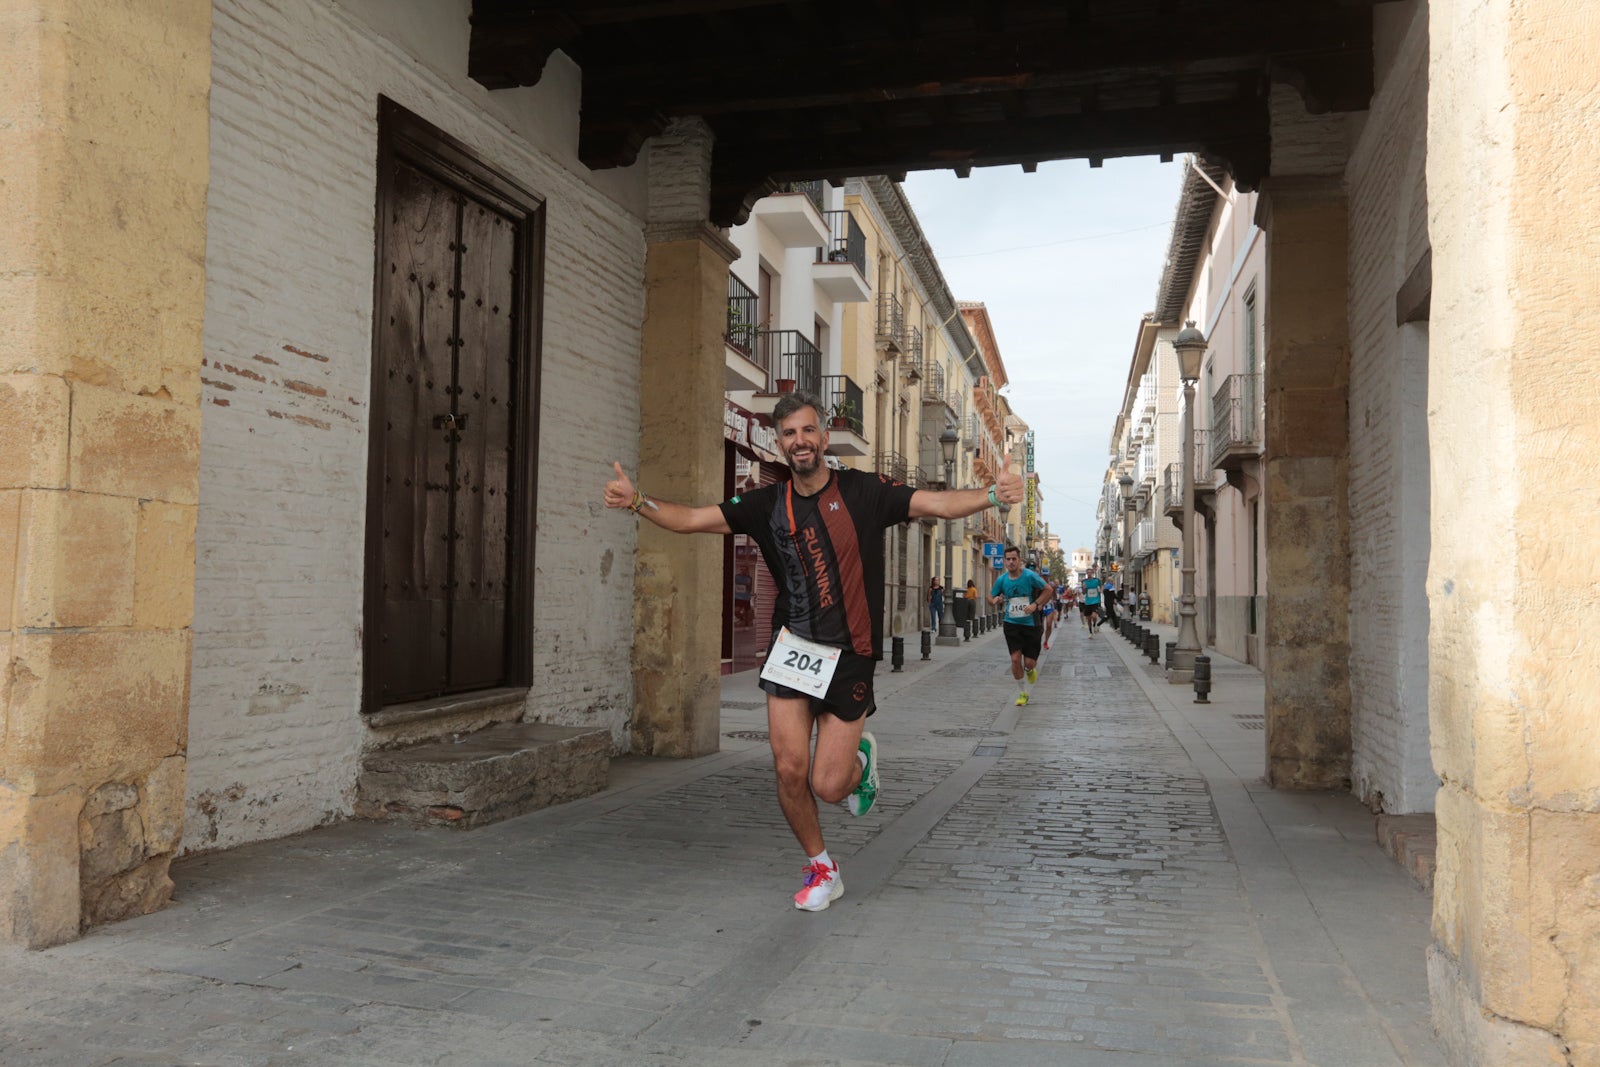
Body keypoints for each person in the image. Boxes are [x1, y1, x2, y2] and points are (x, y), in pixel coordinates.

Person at [603, 391, 1022, 912]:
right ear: (780, 444)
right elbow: (691, 520)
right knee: (786, 769)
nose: (799, 441)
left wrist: (995, 497)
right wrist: (639, 501)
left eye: (807, 431)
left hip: (850, 654)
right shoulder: (765, 504)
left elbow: (935, 503)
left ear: (823, 437)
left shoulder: (864, 491)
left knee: (828, 786)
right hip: (792, 651)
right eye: (788, 434)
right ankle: (823, 867)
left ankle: (860, 763)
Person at [988, 545, 1051, 705]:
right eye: (1008, 559)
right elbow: (991, 596)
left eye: (1013, 559)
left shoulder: (1030, 576)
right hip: (1012, 624)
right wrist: (994, 600)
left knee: (1029, 663)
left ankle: (1030, 670)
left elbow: (1048, 590)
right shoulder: (1002, 580)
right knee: (1015, 659)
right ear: (1004, 561)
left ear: (1019, 560)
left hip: (1031, 624)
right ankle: (1022, 693)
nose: (1010, 562)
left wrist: (1035, 605)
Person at [1081, 567, 1104, 635]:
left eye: (1090, 572)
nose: (1089, 574)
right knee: (1088, 619)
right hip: (1088, 602)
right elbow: (1084, 593)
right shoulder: (1084, 582)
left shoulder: (1096, 580)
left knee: (1094, 616)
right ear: (1086, 573)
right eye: (1088, 573)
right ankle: (1090, 632)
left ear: (1092, 573)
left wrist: (1101, 590)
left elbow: (1101, 585)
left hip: (1095, 601)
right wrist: (1084, 588)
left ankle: (1094, 624)